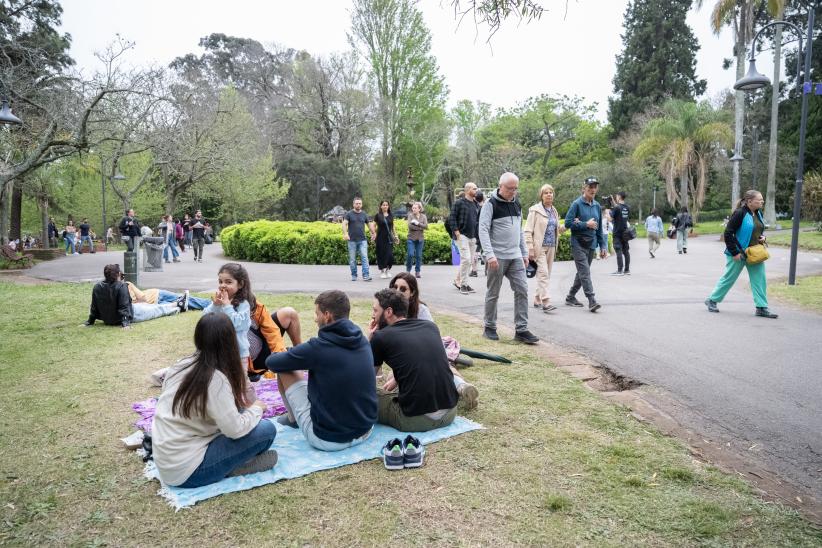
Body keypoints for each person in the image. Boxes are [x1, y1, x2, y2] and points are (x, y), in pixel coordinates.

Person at [152, 313, 277, 488]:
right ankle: (232, 467)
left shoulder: (182, 364)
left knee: (242, 412)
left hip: (169, 458)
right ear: (230, 342)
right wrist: (257, 408)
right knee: (267, 430)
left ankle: (227, 463)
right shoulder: (215, 380)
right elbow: (235, 430)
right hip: (190, 472)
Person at [265, 290, 377, 451]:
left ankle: (292, 419)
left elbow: (272, 363)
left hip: (329, 440)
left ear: (327, 315)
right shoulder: (362, 339)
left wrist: (285, 353)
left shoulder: (317, 348)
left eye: (316, 313)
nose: (315, 318)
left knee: (285, 368)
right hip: (366, 430)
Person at [369, 289, 476, 432]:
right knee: (394, 379)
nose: (372, 315)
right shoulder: (430, 326)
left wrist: (369, 339)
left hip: (413, 419)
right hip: (449, 413)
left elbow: (366, 379)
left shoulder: (380, 337)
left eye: (375, 311)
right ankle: (461, 387)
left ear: (388, 312)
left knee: (363, 397)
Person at [478, 172, 539, 344]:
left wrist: (524, 252)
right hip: (496, 257)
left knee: (522, 289)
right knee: (493, 292)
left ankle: (521, 329)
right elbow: (483, 230)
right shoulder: (490, 204)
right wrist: (489, 255)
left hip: (516, 256)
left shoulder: (516, 203)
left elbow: (519, 230)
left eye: (515, 189)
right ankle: (489, 327)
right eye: (510, 189)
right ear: (501, 186)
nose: (513, 192)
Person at [705, 190, 778, 319]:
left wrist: (762, 238)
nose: (762, 202)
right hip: (739, 253)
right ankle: (712, 300)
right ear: (750, 201)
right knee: (729, 278)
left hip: (755, 252)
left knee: (759, 280)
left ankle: (761, 307)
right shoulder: (740, 213)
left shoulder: (758, 213)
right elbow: (728, 233)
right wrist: (734, 253)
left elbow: (758, 230)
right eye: (759, 200)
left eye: (762, 200)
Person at [83, 264, 180, 328]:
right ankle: (177, 306)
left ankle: (175, 304)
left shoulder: (97, 287)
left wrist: (90, 321)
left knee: (152, 307)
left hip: (109, 319)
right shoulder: (121, 286)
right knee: (156, 310)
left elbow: (94, 307)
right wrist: (125, 323)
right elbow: (124, 306)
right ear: (118, 275)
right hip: (130, 314)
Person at [565, 177, 607, 312]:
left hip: (591, 244)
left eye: (595, 187)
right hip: (578, 243)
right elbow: (567, 223)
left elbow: (599, 228)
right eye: (590, 186)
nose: (592, 189)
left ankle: (570, 296)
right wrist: (585, 224)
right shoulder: (576, 204)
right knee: (585, 272)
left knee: (582, 272)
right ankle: (592, 300)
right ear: (584, 188)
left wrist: (603, 246)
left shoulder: (596, 206)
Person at [524, 183, 565, 312]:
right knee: (543, 274)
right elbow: (527, 231)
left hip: (551, 246)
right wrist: (530, 248)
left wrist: (567, 225)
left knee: (545, 275)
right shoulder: (535, 210)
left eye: (551, 192)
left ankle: (537, 298)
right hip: (539, 247)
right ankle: (546, 301)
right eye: (546, 193)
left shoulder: (554, 210)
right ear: (541, 195)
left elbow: (556, 229)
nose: (549, 194)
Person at [203, 263, 252, 369]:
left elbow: (236, 325)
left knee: (241, 382)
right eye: (220, 281)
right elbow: (205, 320)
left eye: (228, 282)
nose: (223, 285)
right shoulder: (220, 302)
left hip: (238, 354)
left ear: (240, 284)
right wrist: (215, 305)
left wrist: (227, 306)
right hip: (218, 352)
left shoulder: (243, 305)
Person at [449, 182, 480, 294]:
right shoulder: (459, 203)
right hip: (462, 235)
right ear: (467, 190)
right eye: (474, 188)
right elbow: (451, 218)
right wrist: (456, 232)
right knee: (466, 259)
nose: (476, 190)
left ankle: (465, 283)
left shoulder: (476, 204)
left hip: (473, 237)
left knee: (469, 261)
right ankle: (463, 285)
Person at [342, 197, 375, 282]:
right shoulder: (349, 214)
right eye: (356, 203)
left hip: (362, 240)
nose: (358, 205)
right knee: (352, 260)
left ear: (362, 204)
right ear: (353, 204)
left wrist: (373, 233)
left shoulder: (364, 214)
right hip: (352, 240)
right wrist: (345, 234)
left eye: (360, 203)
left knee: (364, 258)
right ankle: (354, 275)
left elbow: (369, 225)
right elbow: (344, 224)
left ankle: (366, 275)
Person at [125, 282, 211, 311]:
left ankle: (210, 304)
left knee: (186, 300)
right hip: (156, 304)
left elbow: (143, 298)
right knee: (183, 304)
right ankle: (210, 305)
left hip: (157, 295)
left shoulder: (127, 284)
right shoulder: (126, 285)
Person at [373, 200, 398, 279]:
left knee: (389, 255)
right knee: (381, 254)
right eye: (383, 205)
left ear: (388, 206)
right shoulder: (378, 215)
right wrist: (374, 233)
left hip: (388, 238)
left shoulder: (391, 215)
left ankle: (387, 270)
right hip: (380, 237)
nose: (385, 206)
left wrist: (396, 236)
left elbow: (393, 227)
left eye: (386, 205)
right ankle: (382, 271)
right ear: (381, 206)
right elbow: (373, 225)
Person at [610, 191, 631, 275]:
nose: (615, 198)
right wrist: (613, 201)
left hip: (617, 233)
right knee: (626, 251)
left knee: (618, 250)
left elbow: (610, 219)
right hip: (625, 233)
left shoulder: (616, 208)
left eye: (616, 196)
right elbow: (619, 209)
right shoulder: (627, 207)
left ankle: (619, 271)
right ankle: (627, 270)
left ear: (619, 196)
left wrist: (608, 211)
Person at [405, 201, 428, 278]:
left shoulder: (423, 216)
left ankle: (417, 271)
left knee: (418, 256)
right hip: (411, 238)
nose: (413, 209)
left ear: (419, 209)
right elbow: (410, 226)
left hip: (420, 239)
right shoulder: (410, 215)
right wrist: (420, 227)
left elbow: (426, 226)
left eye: (415, 208)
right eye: (413, 208)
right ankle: (408, 270)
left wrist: (417, 224)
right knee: (410, 254)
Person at [471, 191, 485, 277]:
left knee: (475, 251)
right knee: (486, 251)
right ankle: (487, 270)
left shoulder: (474, 207)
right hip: (484, 231)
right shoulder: (487, 207)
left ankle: (474, 270)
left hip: (475, 231)